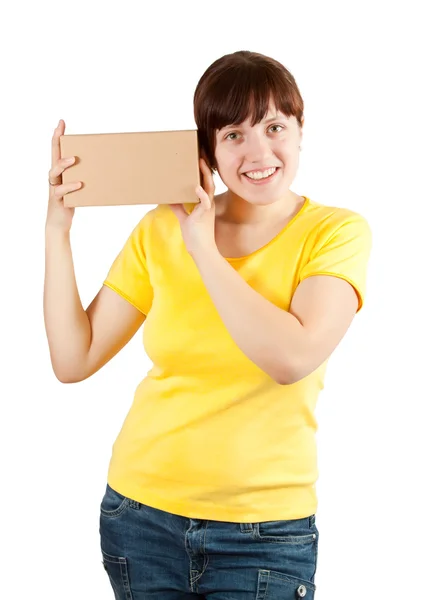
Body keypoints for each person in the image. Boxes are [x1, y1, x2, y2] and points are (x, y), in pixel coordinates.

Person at [44, 50, 372, 599]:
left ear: (299, 130)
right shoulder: (159, 230)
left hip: (264, 533)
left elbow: (291, 359)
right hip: (140, 517)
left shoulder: (335, 233)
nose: (259, 152)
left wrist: (204, 248)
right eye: (234, 135)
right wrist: (57, 229)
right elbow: (73, 360)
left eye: (274, 127)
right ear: (208, 151)